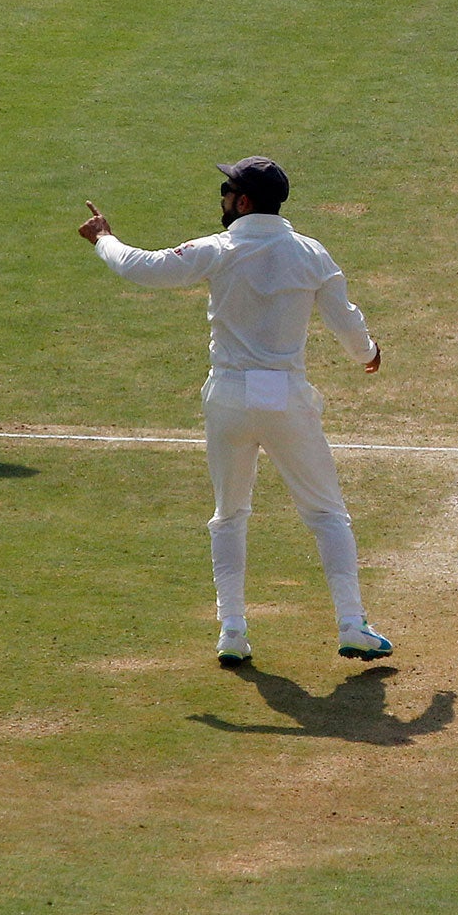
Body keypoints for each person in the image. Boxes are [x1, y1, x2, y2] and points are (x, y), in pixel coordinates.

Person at [78, 157, 392, 666]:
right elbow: (346, 322)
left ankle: (232, 631)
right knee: (327, 514)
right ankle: (352, 624)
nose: (222, 197)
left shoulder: (219, 249)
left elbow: (144, 268)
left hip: (228, 397)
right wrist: (368, 354)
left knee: (230, 514)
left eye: (227, 190)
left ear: (243, 202)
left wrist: (104, 238)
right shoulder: (311, 253)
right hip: (284, 398)